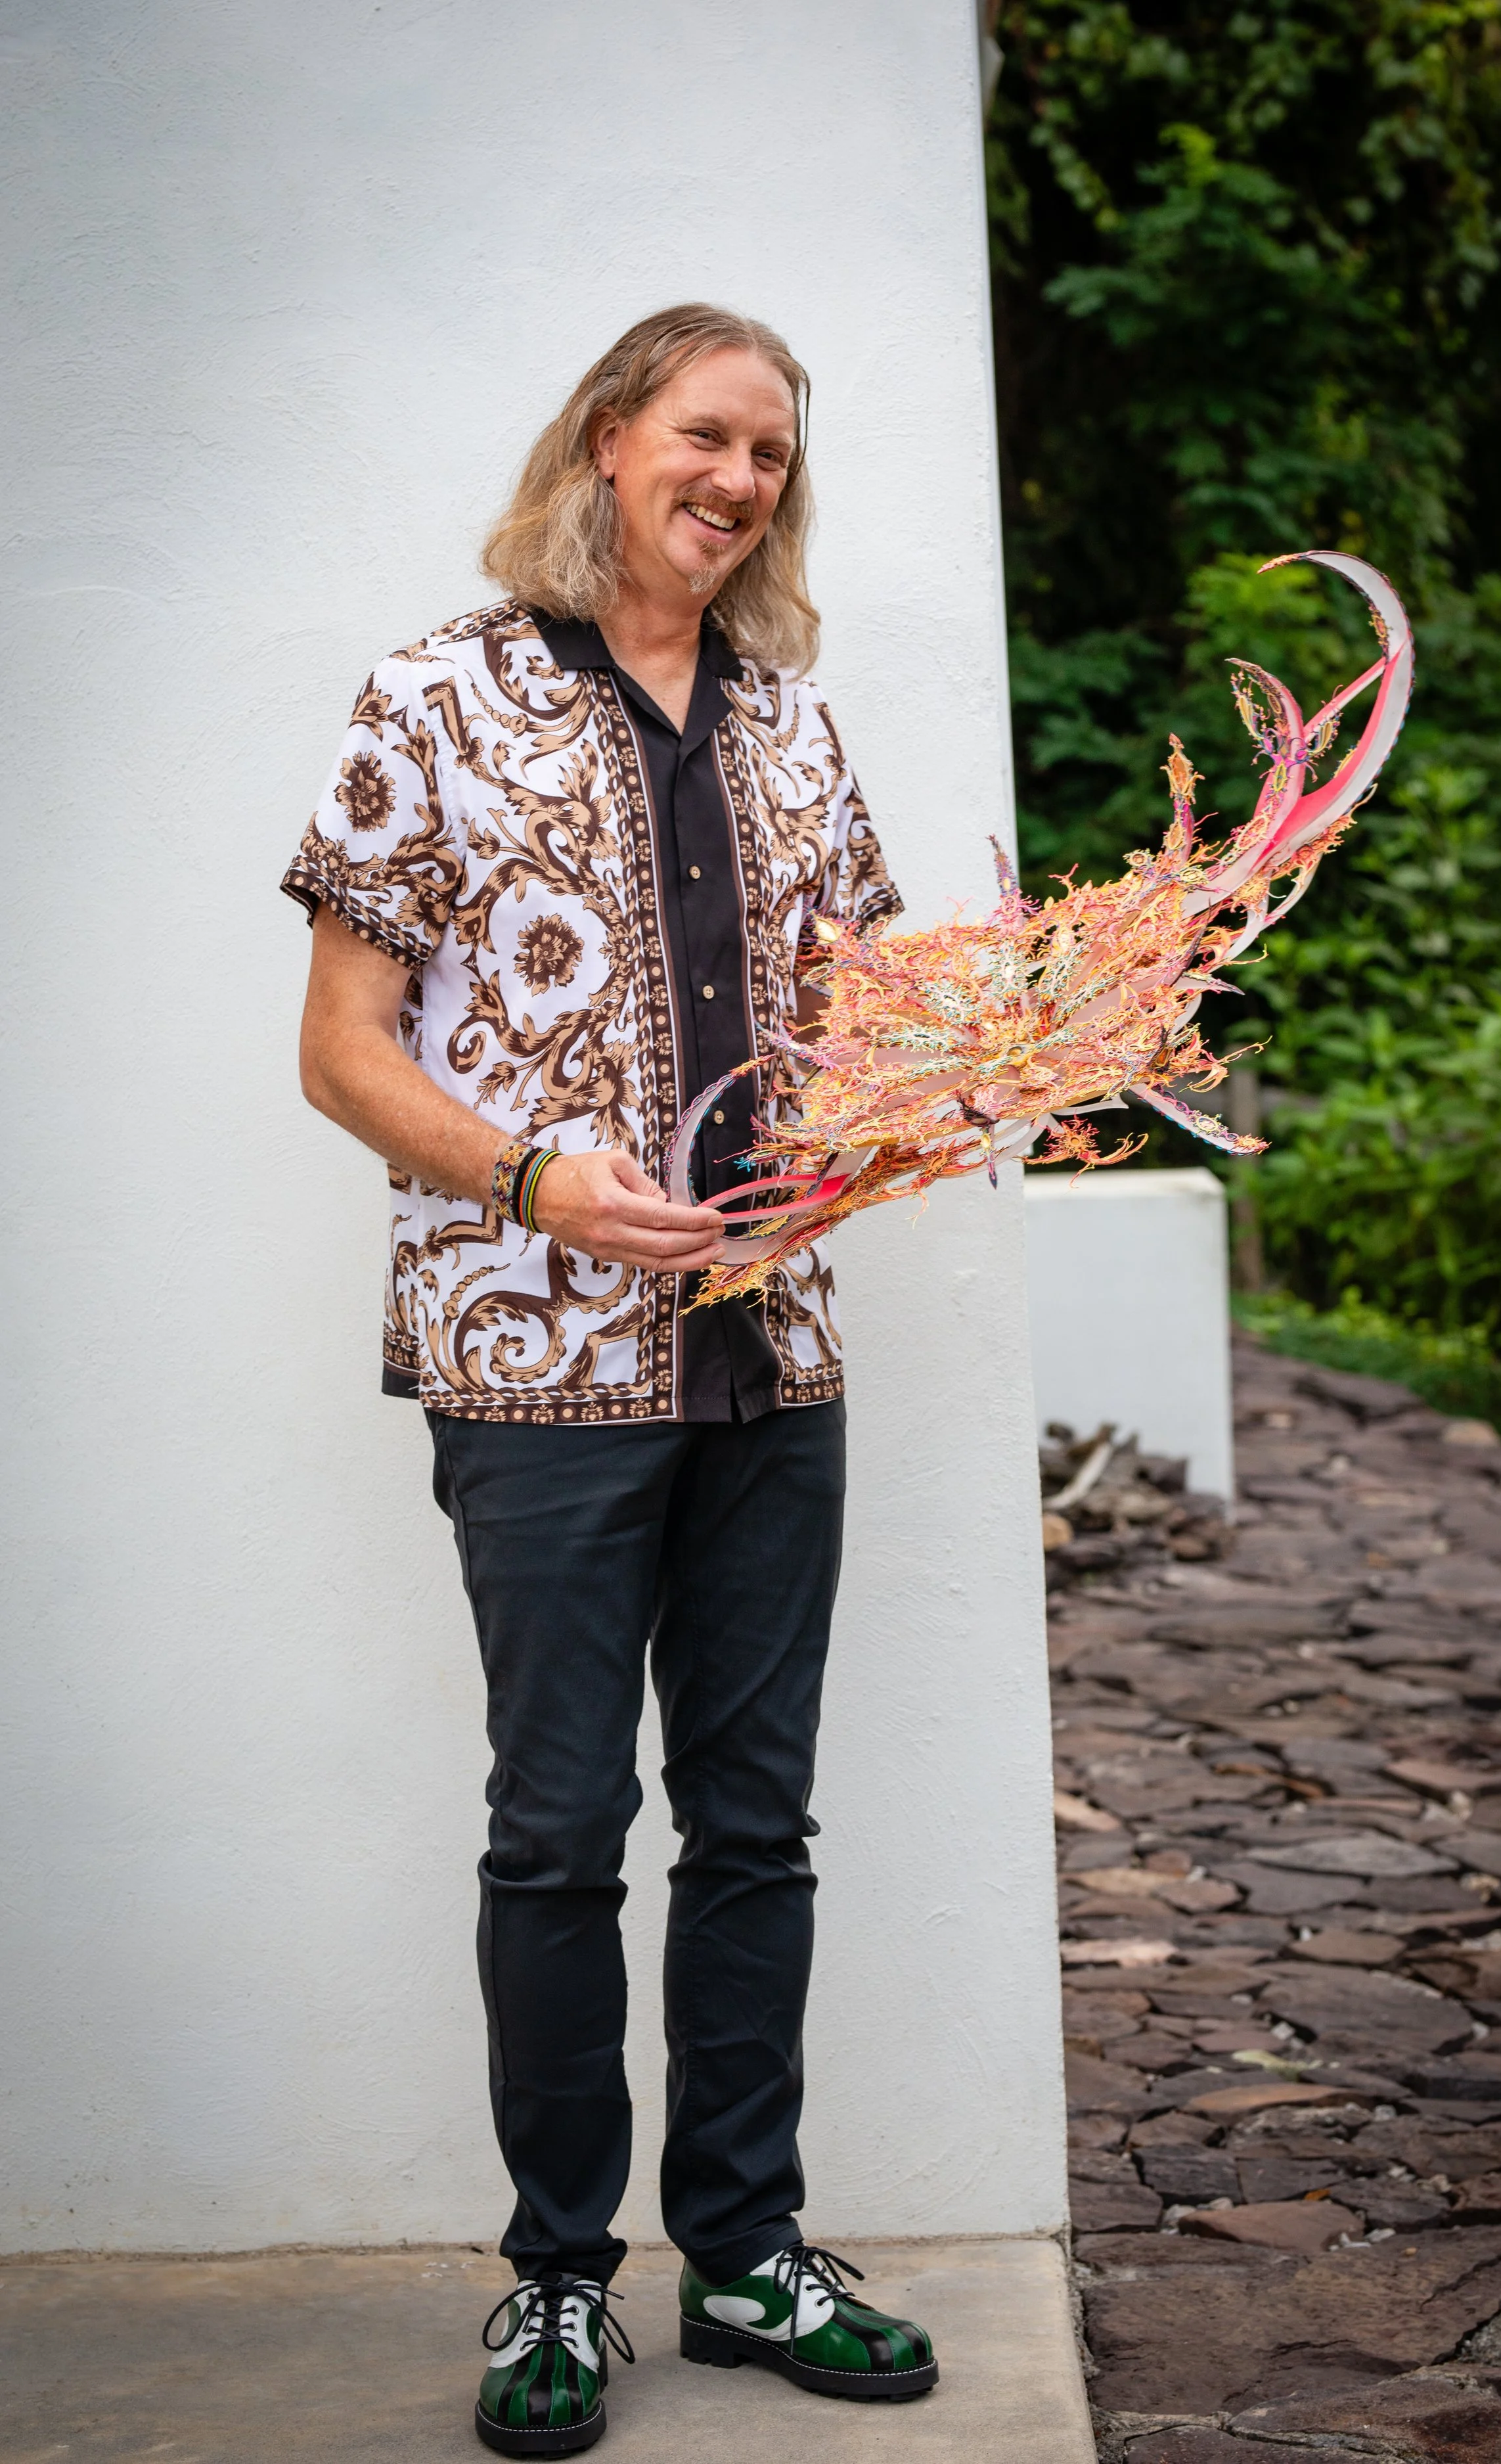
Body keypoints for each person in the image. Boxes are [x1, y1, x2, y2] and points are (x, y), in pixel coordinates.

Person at [285, 303, 938, 2455]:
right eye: (707, 435)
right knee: (560, 1834)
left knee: (755, 1829)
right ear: (608, 437)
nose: (739, 481)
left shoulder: (798, 728)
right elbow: (340, 1049)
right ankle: (557, 2282)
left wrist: (1003, 1057)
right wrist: (536, 1176)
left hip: (779, 1364)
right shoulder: (428, 697)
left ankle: (744, 2252)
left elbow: (867, 1031)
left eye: (772, 452)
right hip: (533, 1361)